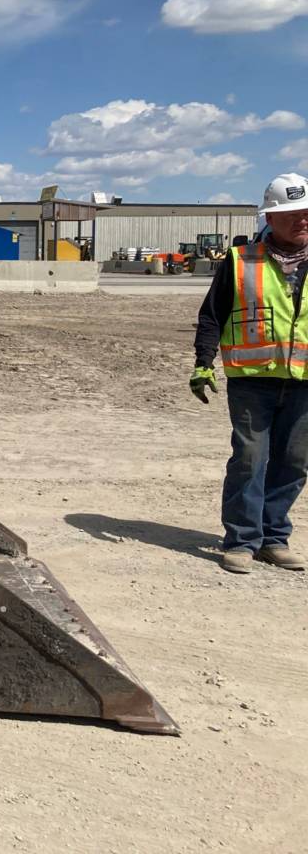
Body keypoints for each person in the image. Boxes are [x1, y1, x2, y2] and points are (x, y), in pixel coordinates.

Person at [192, 173, 308, 573]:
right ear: (270, 219)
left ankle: (274, 539)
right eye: (292, 214)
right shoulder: (241, 261)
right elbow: (211, 316)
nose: (302, 220)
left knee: (294, 462)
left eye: (307, 213)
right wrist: (202, 362)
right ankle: (242, 541)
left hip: (304, 382)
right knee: (250, 458)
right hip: (252, 379)